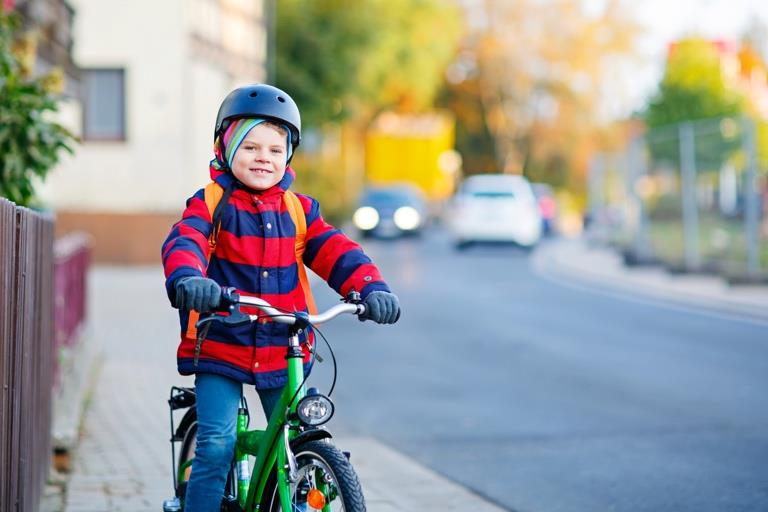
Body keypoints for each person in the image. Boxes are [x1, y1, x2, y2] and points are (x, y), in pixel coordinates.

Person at [161, 83, 400, 512]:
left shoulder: (299, 210)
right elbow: (186, 241)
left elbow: (335, 250)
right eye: (250, 147)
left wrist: (370, 286)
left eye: (274, 149)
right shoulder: (211, 203)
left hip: (283, 342)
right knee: (218, 443)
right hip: (222, 339)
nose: (263, 158)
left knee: (291, 436)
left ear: (288, 156)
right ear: (225, 148)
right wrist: (189, 278)